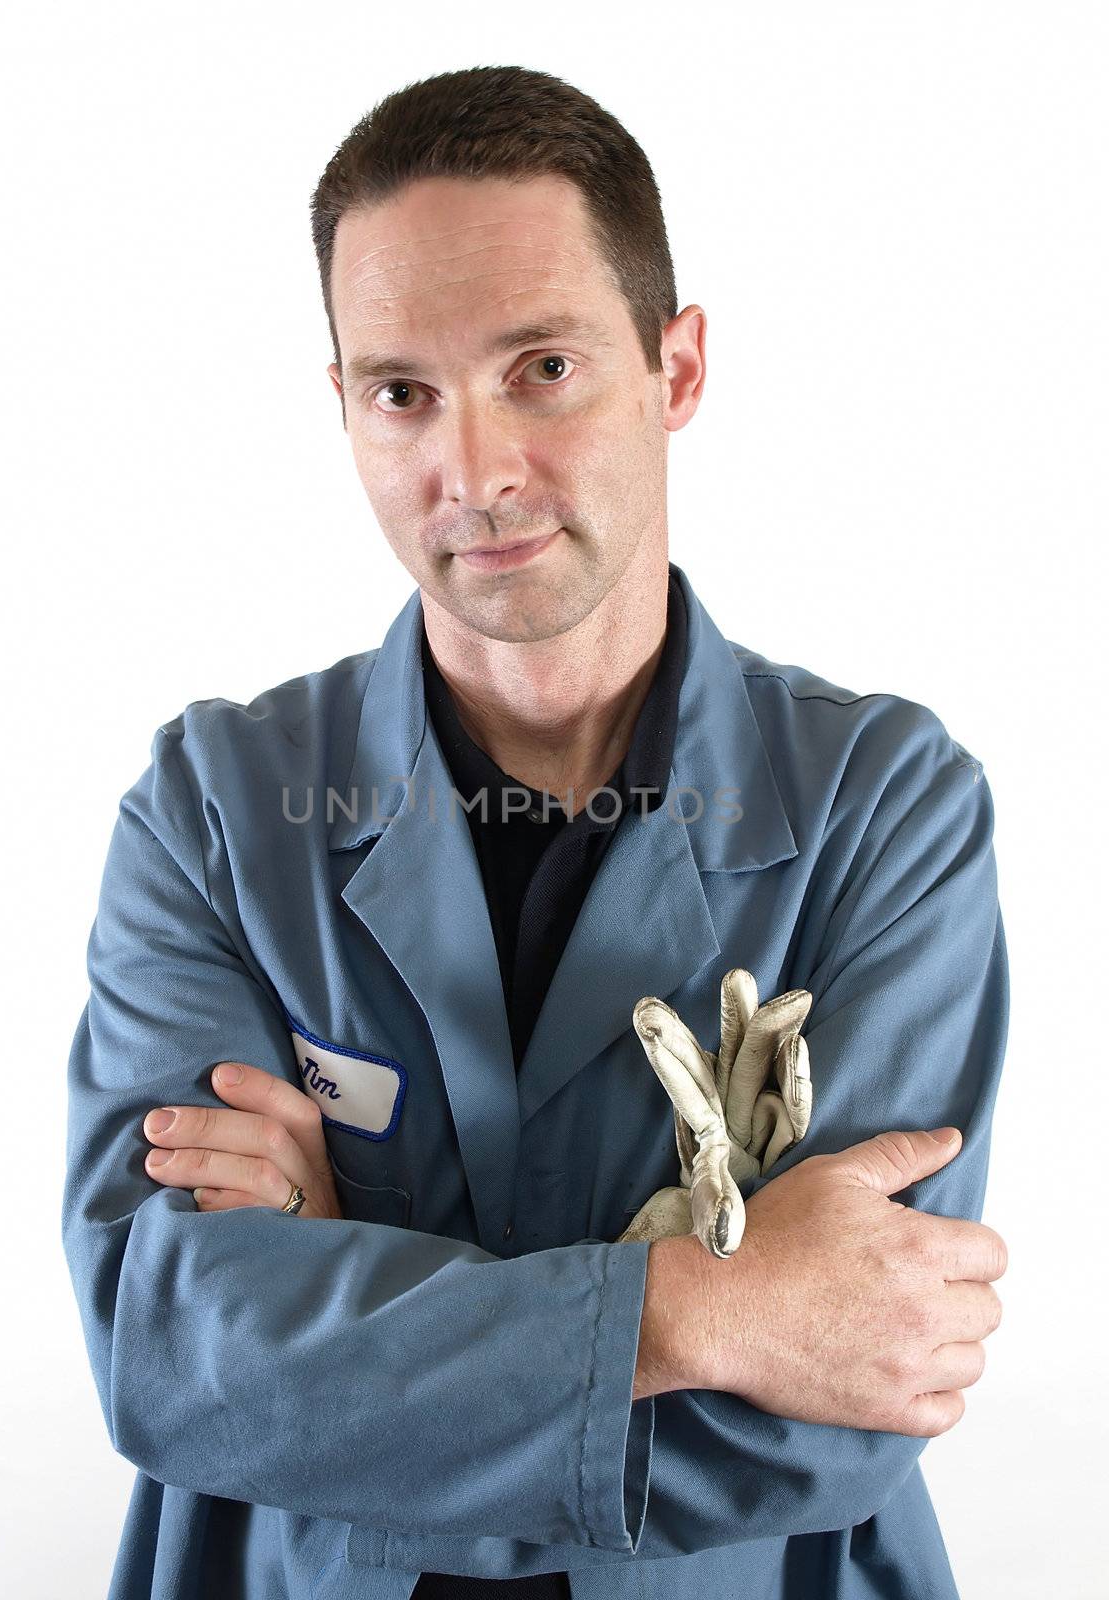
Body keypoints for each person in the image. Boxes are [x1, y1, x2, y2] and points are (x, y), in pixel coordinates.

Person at [61, 64, 1010, 1600]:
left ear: (677, 366)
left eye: (545, 367)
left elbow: (844, 1410)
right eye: (403, 392)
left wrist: (330, 1314)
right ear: (346, 408)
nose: (476, 470)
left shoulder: (882, 809)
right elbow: (167, 1357)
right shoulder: (213, 811)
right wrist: (699, 1315)